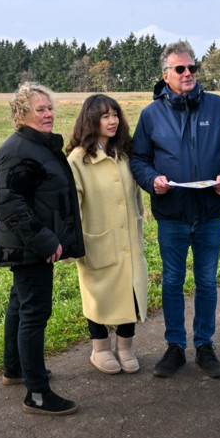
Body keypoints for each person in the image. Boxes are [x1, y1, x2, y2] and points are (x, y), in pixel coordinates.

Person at [130, 40, 220, 379]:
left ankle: (205, 345)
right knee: (171, 282)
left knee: (207, 282)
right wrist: (152, 180)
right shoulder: (151, 115)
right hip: (172, 213)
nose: (188, 74)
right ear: (165, 74)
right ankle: (174, 347)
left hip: (210, 210)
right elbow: (138, 159)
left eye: (192, 68)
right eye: (180, 69)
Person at [0, 82, 85, 416]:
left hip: (28, 243)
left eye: (49, 108)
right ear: (21, 115)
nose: (48, 114)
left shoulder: (35, 146)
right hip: (30, 246)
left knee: (20, 304)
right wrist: (45, 241)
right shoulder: (18, 150)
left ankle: (15, 369)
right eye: (40, 109)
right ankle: (38, 393)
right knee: (34, 312)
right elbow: (10, 203)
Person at [66, 94, 149, 375]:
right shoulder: (78, 160)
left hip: (128, 239)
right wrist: (72, 242)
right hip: (96, 240)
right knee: (98, 295)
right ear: (91, 120)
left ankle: (125, 347)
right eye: (105, 116)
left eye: (115, 114)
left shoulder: (124, 152)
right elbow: (72, 206)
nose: (113, 120)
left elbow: (136, 192)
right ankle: (99, 348)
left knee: (131, 292)